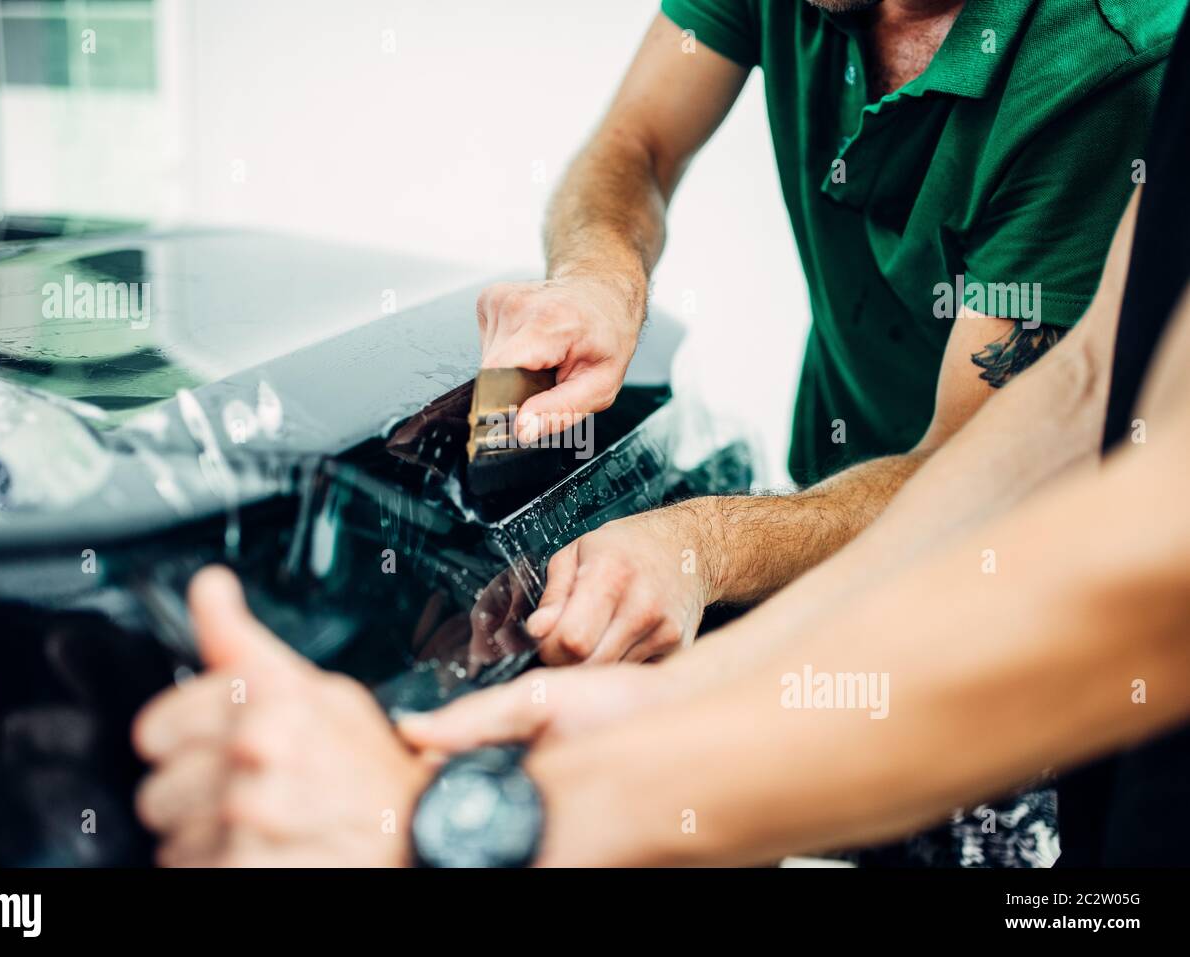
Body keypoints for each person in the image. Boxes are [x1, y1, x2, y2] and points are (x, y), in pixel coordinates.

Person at [130, 5, 1190, 863]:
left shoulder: (1110, 62)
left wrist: (476, 815)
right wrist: (599, 278)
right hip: (868, 573)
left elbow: (1146, 572)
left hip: (1053, 668)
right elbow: (1069, 402)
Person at [478, 0, 1183, 666]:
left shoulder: (1109, 65)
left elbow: (975, 472)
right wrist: (599, 278)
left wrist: (705, 547)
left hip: (1013, 605)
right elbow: (639, 141)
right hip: (810, 526)